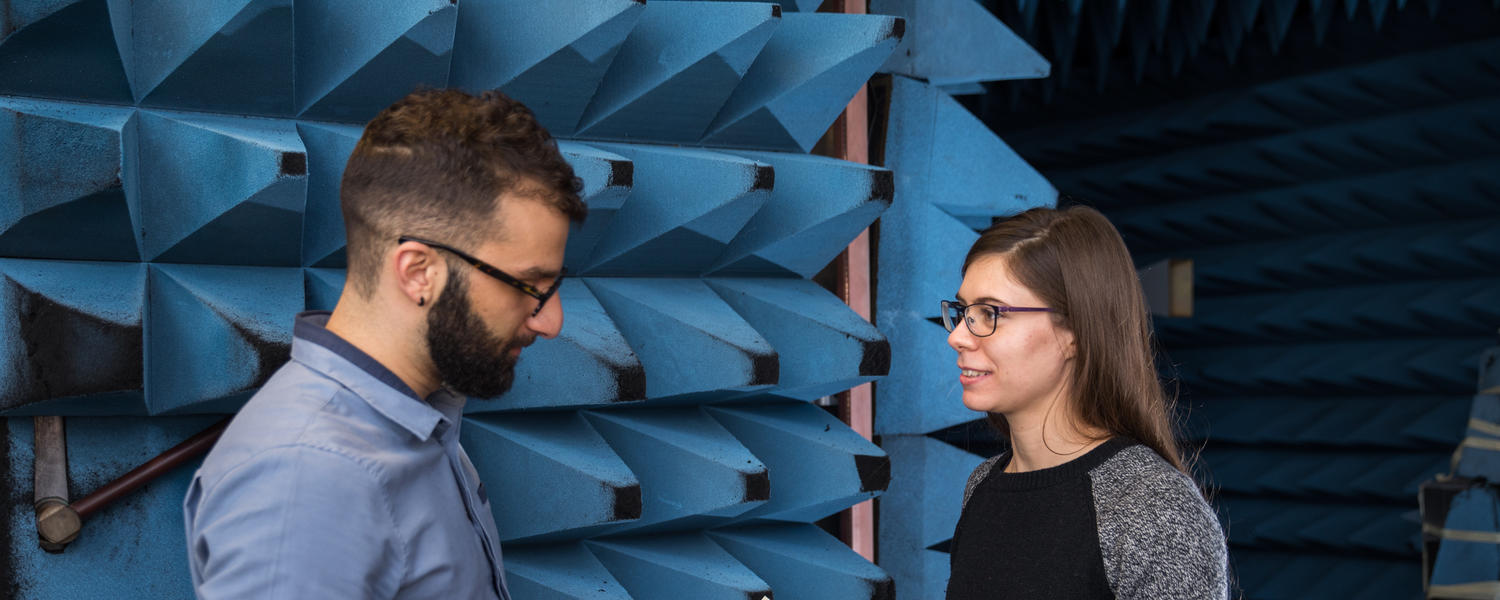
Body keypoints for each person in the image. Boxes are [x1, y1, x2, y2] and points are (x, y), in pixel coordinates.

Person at [183, 89, 586, 599]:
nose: (552, 321)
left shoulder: (418, 421)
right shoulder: (308, 478)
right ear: (418, 273)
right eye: (529, 285)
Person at [941, 205, 1228, 599]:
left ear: (1075, 330)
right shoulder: (983, 486)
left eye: (990, 313)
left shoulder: (1154, 509)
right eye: (963, 312)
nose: (957, 336)